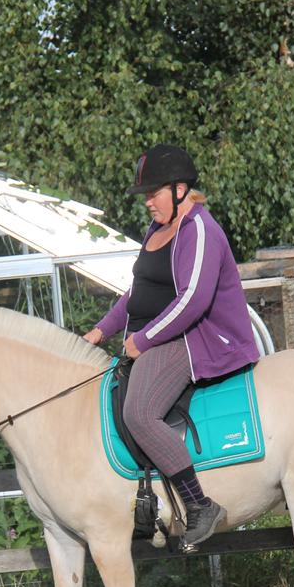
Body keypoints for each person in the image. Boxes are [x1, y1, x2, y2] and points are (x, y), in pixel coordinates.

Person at [84, 144, 260, 553]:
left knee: (140, 412)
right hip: (157, 336)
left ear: (180, 189)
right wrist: (99, 331)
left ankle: (200, 505)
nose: (147, 201)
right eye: (146, 194)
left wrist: (141, 342)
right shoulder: (157, 230)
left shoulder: (199, 229)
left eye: (154, 192)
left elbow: (194, 300)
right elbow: (137, 292)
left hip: (195, 339)